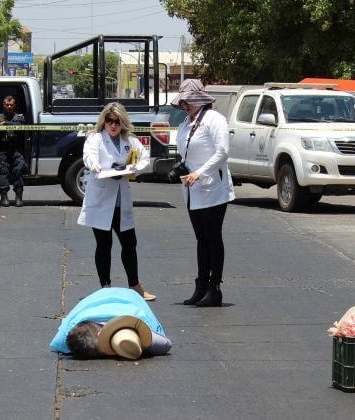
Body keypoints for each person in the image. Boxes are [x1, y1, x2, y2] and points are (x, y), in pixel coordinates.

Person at [78, 102, 155, 300]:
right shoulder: (95, 138)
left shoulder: (129, 140)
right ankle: (106, 287)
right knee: (104, 245)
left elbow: (144, 158)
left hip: (121, 199)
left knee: (130, 243)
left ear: (123, 123)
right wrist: (96, 167)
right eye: (109, 121)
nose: (113, 126)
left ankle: (135, 286)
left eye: (117, 122)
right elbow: (89, 156)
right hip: (101, 199)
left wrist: (133, 169)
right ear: (104, 121)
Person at [171, 79, 235, 307]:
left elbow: (222, 152)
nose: (185, 105)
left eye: (188, 100)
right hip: (191, 188)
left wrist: (199, 172)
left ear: (199, 99)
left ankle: (214, 288)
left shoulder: (214, 120)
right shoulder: (185, 123)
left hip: (212, 187)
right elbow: (185, 152)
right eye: (183, 102)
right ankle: (201, 285)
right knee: (201, 239)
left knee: (212, 237)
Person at [49, 287, 171, 359]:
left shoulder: (136, 318)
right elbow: (165, 344)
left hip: (131, 298)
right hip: (100, 296)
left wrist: (133, 339)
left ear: (100, 333)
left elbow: (166, 344)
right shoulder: (65, 336)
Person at [0, 96, 27, 207]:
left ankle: (18, 197)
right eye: (7, 105)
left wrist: (6, 123)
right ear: (3, 105)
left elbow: (21, 126)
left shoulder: (19, 117)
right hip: (3, 148)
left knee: (18, 169)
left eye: (11, 105)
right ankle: (4, 197)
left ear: (14, 105)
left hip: (16, 148)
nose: (9, 107)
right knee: (3, 170)